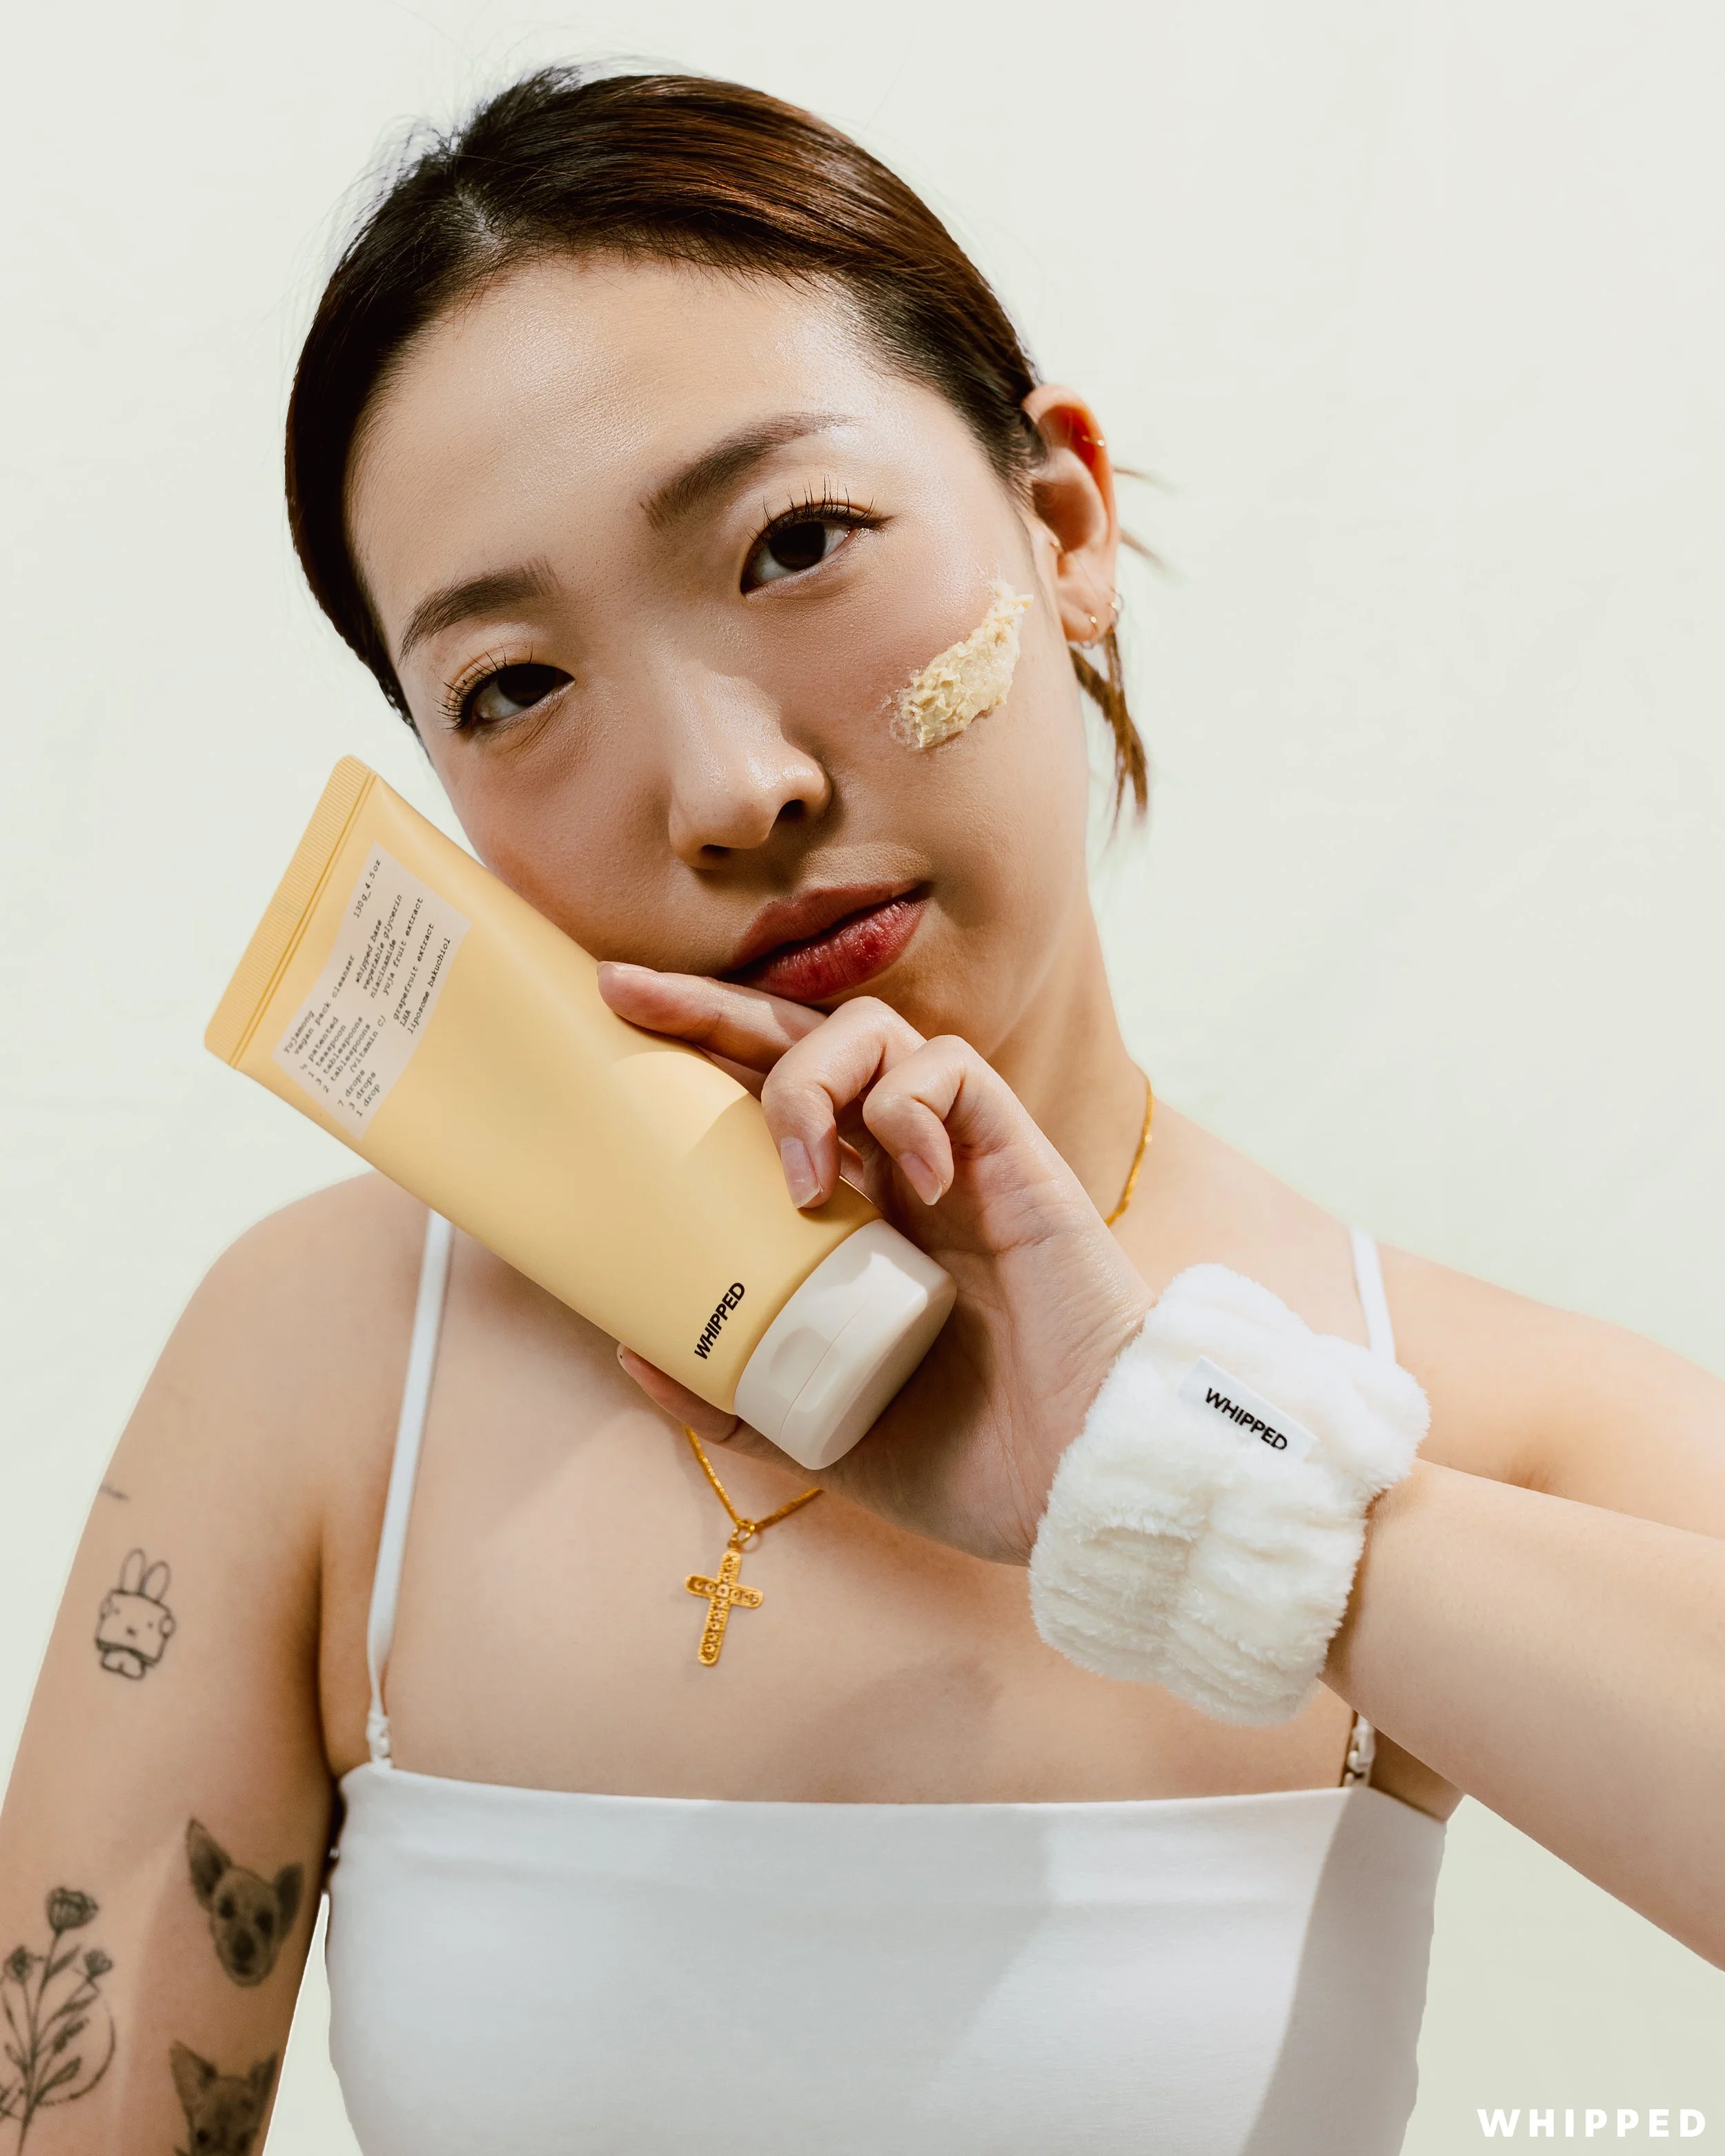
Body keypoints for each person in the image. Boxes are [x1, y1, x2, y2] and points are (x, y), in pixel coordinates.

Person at [1, 66, 1721, 2156]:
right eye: (514, 687)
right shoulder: (334, 1365)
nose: (730, 788)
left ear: (1060, 527)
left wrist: (1194, 1485)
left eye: (795, 542)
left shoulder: (1440, 1405)